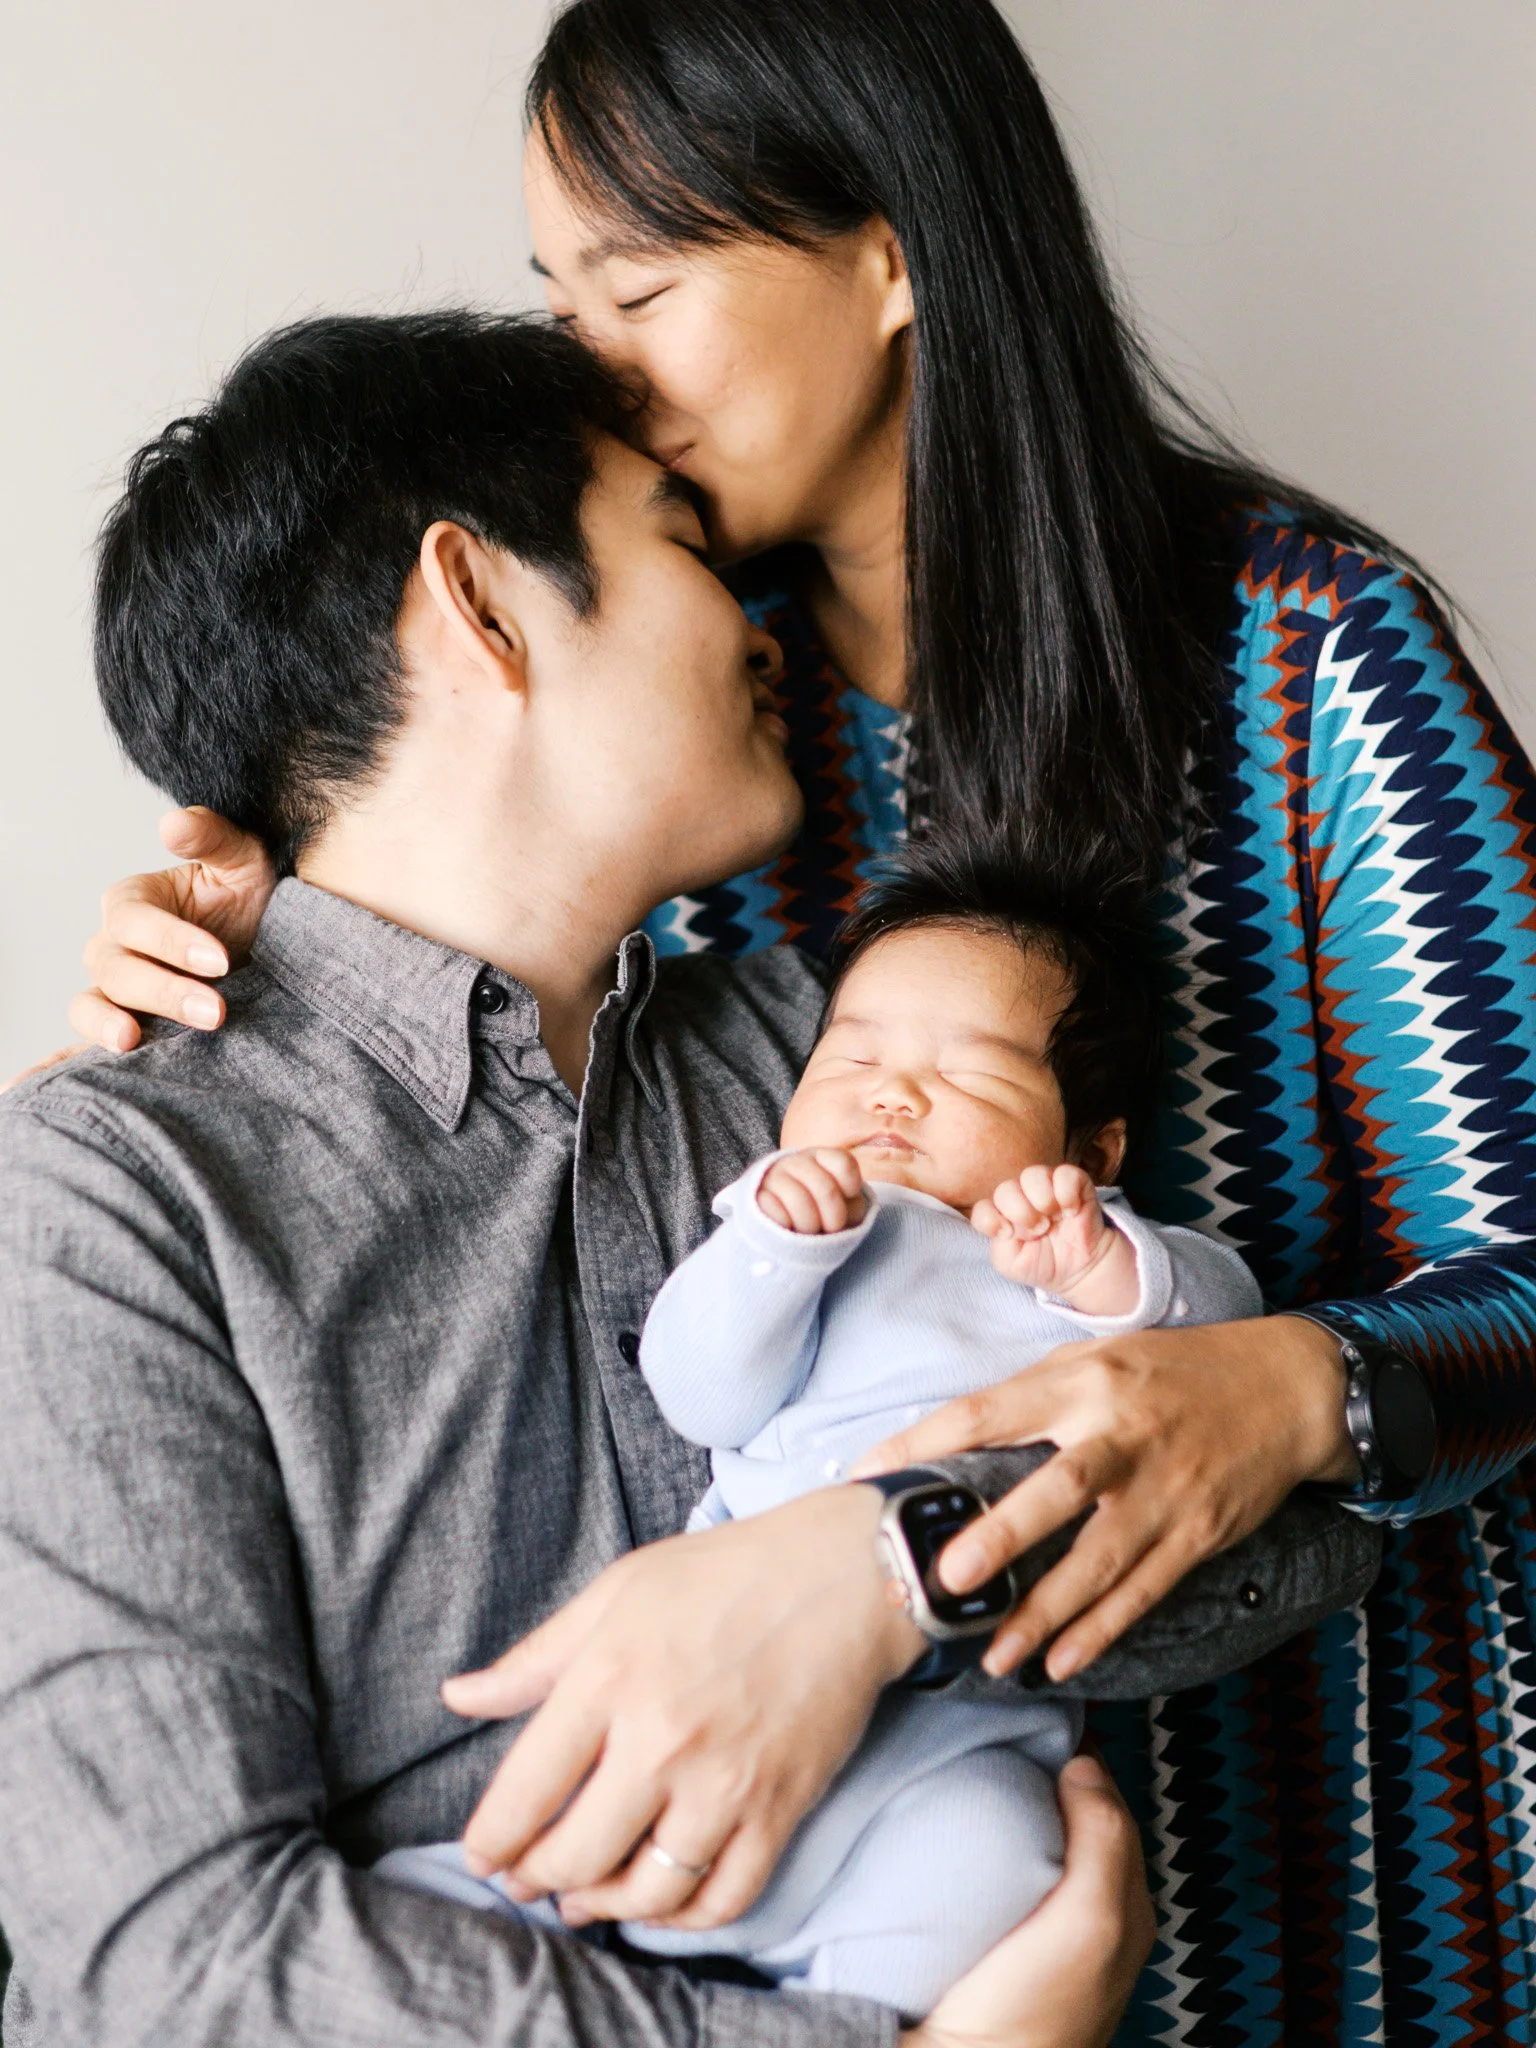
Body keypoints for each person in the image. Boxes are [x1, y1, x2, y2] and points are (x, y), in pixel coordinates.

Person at [65, 0, 1536, 2036]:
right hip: (834, 1858)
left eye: (642, 281)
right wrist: (262, 908)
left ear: (891, 250)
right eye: (554, 291)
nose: (590, 363)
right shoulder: (692, 735)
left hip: (1326, 1768)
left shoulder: (1296, 657)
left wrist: (1282, 1384)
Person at [382, 869, 1262, 2014]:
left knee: (1002, 1859)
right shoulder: (787, 1217)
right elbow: (700, 1394)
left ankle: (845, 2008)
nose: (893, 1094)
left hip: (959, 1732)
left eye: (972, 1072)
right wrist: (776, 1255)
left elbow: (1228, 1326)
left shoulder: (1068, 1248)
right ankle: (505, 1906)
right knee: (527, 1842)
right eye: (850, 1059)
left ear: (1093, 1146)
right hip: (726, 1666)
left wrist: (1101, 1266)